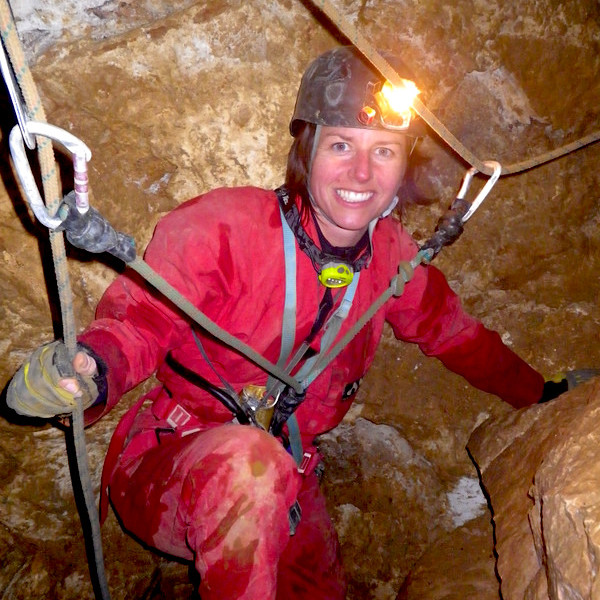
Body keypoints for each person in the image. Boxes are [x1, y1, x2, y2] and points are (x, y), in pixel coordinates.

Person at [6, 46, 571, 599]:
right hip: (174, 462)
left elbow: (457, 336)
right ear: (307, 151)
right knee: (253, 470)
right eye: (342, 145)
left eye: (385, 152)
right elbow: (145, 318)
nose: (361, 171)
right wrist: (93, 368)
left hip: (291, 476)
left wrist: (542, 394)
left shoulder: (394, 260)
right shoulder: (224, 226)